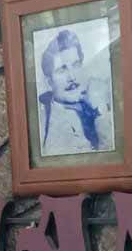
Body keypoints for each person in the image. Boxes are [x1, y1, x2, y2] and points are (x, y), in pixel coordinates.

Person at [36, 28, 110, 156]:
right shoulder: (52, 129)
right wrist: (101, 115)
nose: (72, 77)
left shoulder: (91, 102)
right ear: (49, 82)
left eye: (76, 65)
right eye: (62, 70)